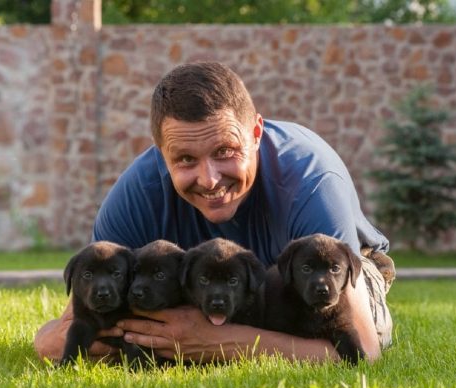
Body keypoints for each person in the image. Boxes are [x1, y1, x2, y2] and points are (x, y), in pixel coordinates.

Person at [34, 61, 393, 363]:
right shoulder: (137, 194)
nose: (209, 179)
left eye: (224, 151)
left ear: (255, 132)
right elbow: (59, 336)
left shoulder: (310, 181)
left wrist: (217, 342)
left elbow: (364, 349)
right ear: (162, 154)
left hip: (319, 276)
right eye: (186, 159)